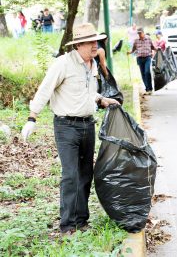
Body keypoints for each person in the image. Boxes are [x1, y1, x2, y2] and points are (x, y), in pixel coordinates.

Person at [21, 23, 120, 236]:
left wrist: (102, 100)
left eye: (97, 41)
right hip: (66, 126)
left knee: (86, 174)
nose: (96, 45)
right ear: (79, 45)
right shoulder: (62, 64)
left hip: (87, 124)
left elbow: (87, 93)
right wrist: (32, 117)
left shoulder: (92, 64)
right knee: (70, 175)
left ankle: (82, 220)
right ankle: (67, 224)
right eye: (92, 42)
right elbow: (44, 90)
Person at [127, 27, 156, 95]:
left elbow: (152, 47)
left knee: (147, 72)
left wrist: (157, 49)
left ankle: (150, 88)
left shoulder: (148, 38)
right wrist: (130, 52)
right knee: (143, 74)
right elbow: (134, 49)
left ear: (143, 32)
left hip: (147, 57)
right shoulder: (136, 40)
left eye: (140, 33)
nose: (139, 34)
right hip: (140, 58)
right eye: (138, 33)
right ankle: (147, 89)